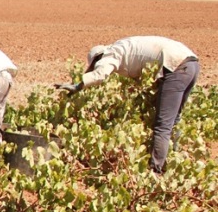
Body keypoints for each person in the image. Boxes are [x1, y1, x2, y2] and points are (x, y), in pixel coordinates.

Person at [56, 36, 199, 173]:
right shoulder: (124, 47)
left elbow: (100, 74)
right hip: (191, 63)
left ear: (97, 59)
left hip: (176, 66)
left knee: (163, 124)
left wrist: (77, 86)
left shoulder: (110, 54)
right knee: (175, 119)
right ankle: (174, 159)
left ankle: (156, 170)